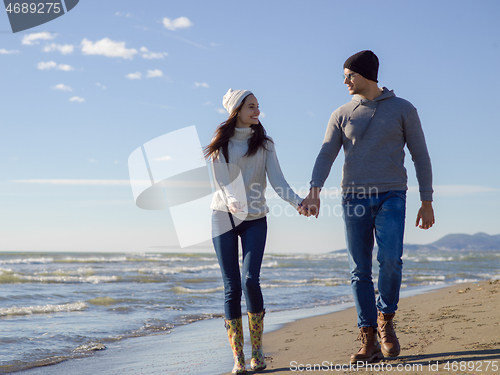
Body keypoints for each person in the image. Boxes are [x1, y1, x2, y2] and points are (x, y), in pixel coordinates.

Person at [299, 50, 435, 364]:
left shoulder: (403, 109)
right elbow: (325, 155)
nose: (345, 80)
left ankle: (386, 319)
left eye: (350, 75)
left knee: (390, 259)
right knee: (359, 270)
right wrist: (314, 192)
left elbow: (421, 156)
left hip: (391, 195)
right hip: (353, 199)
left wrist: (426, 201)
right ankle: (368, 336)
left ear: (366, 75)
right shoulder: (341, 113)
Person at [204, 89, 303, 374]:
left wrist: (297, 202)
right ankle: (238, 357)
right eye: (251, 107)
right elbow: (222, 182)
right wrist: (233, 201)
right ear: (236, 110)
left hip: (256, 218)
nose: (257, 111)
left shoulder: (265, 144)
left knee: (250, 280)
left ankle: (257, 351)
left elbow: (278, 181)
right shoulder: (219, 145)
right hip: (223, 216)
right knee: (231, 287)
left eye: (258, 106)